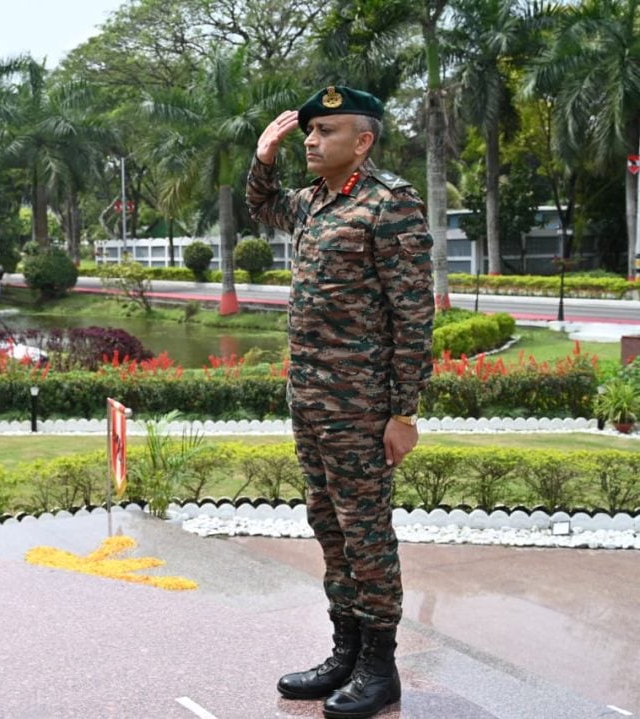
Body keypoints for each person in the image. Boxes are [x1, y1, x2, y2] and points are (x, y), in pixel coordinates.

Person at [246, 86, 435, 719]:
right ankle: (346, 654)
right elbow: (262, 204)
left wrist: (403, 412)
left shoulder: (390, 205)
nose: (310, 139)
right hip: (312, 401)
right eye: (308, 131)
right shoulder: (311, 204)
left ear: (363, 141)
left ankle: (381, 668)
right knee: (330, 530)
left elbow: (413, 316)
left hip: (362, 409)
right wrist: (264, 155)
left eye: (325, 131)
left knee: (366, 535)